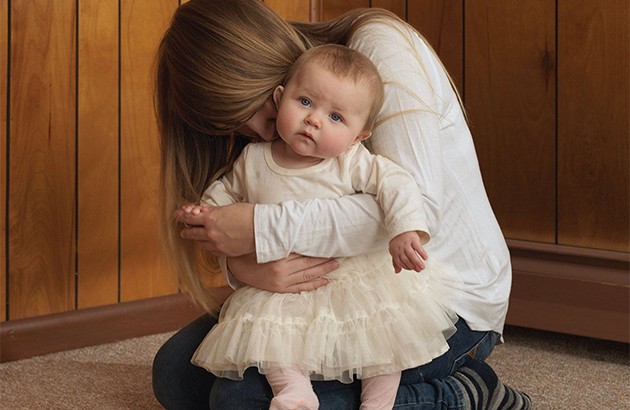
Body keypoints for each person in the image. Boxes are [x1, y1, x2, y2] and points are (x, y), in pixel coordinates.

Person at [153, 0, 532, 409]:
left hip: (434, 295)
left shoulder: (379, 48)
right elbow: (255, 194)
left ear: (262, 66)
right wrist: (241, 265)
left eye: (247, 106)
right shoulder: (283, 117)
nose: (250, 129)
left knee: (241, 400)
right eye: (227, 124)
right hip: (313, 295)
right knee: (176, 375)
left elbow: (417, 207)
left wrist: (261, 229)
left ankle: (464, 394)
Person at [186, 44, 460, 410]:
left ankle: (379, 403)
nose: (314, 119)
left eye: (335, 118)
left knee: (380, 339)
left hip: (352, 279)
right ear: (280, 98)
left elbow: (396, 184)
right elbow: (226, 193)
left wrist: (405, 230)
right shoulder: (254, 158)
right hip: (287, 288)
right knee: (273, 340)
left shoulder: (350, 161)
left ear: (360, 135)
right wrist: (207, 211)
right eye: (304, 102)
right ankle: (294, 392)